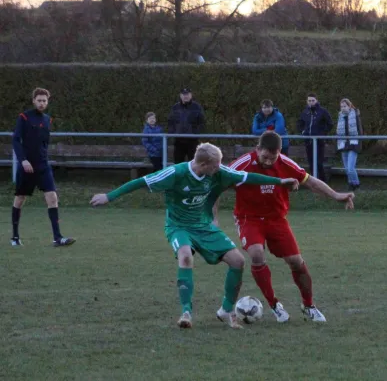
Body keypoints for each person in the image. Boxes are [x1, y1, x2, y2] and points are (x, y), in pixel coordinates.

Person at [89, 143, 300, 329]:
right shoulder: (175, 174)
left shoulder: (217, 172)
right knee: (185, 256)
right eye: (216, 165)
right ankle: (186, 312)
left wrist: (280, 182)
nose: (220, 169)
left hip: (203, 225)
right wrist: (109, 196)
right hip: (178, 226)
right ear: (204, 165)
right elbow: (141, 182)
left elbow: (248, 177)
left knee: (237, 261)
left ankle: (226, 310)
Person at [214, 131, 355, 323]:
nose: (269, 162)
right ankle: (274, 305)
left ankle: (309, 306)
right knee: (256, 254)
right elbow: (216, 186)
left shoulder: (285, 163)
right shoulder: (243, 164)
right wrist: (213, 218)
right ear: (258, 150)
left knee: (296, 261)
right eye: (265, 157)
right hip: (249, 219)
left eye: (273, 158)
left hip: (277, 220)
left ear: (279, 153)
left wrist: (336, 195)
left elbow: (311, 182)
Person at [11, 87, 76, 248]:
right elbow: (15, 140)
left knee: (52, 197)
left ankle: (57, 238)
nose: (41, 103)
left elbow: (44, 143)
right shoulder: (24, 117)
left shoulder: (48, 119)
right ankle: (15, 237)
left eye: (44, 101)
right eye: (39, 100)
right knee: (20, 199)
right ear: (34, 101)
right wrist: (23, 160)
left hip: (42, 166)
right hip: (26, 166)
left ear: (47, 102)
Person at [297, 92, 333, 181]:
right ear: (307, 101)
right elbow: (300, 123)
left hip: (319, 141)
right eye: (309, 100)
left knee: (319, 162)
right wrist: (303, 131)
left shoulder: (323, 111)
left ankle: (323, 181)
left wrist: (322, 133)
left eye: (313, 100)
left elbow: (330, 124)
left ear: (316, 101)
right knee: (311, 162)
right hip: (308, 141)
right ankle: (314, 182)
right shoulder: (305, 112)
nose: (311, 102)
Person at [168, 88, 205, 164]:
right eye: (184, 94)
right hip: (179, 141)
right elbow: (170, 122)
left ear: (191, 95)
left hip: (192, 141)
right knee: (178, 164)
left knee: (194, 164)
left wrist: (195, 133)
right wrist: (173, 133)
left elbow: (201, 122)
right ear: (180, 96)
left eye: (187, 94)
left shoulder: (197, 107)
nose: (186, 96)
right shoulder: (175, 107)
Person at [336, 98, 363, 191]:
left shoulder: (355, 115)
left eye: (345, 106)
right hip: (343, 144)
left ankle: (356, 184)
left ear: (349, 106)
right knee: (347, 169)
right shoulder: (340, 117)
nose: (343, 108)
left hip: (354, 143)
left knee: (350, 168)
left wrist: (359, 143)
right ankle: (351, 184)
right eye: (341, 106)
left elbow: (360, 131)